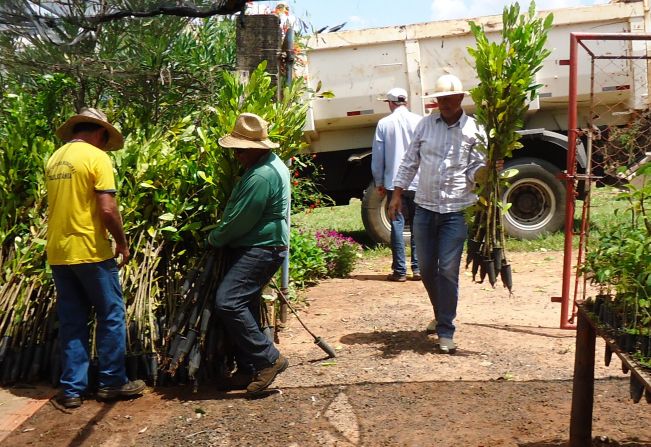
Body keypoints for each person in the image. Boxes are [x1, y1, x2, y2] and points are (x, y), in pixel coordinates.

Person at [46, 108, 145, 408]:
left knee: (73, 320)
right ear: (101, 133)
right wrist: (123, 243)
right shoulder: (97, 157)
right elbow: (107, 209)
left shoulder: (55, 158)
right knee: (111, 315)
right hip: (90, 250)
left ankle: (72, 391)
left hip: (59, 253)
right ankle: (112, 382)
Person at [388, 74, 487, 354]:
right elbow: (410, 160)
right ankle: (440, 311)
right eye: (439, 98)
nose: (443, 103)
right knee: (428, 268)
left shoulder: (474, 130)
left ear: (460, 98)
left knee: (447, 269)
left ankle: (446, 328)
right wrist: (397, 194)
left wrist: (486, 170)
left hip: (456, 210)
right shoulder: (425, 125)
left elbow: (475, 170)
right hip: (425, 207)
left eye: (448, 98)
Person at [208, 112, 290, 397]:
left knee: (228, 302)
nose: (237, 156)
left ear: (256, 148)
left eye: (240, 150)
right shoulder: (269, 165)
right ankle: (248, 368)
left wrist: (215, 237)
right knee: (247, 304)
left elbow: (241, 220)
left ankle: (268, 359)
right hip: (265, 245)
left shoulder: (262, 176)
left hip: (262, 247)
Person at [372, 87, 422, 282]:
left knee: (397, 224)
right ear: (406, 102)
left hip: (394, 182)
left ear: (391, 103)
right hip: (417, 179)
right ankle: (418, 268)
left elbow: (378, 156)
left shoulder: (384, 124)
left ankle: (400, 270)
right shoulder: (419, 121)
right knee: (418, 224)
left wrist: (379, 180)